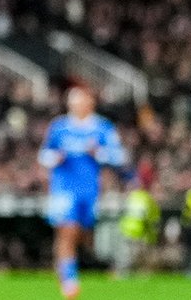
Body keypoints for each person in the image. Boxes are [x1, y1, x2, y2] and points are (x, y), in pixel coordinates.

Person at [40, 85, 126, 298]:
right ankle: (69, 280)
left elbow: (119, 157)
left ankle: (63, 267)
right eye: (73, 102)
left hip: (89, 190)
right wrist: (55, 158)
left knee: (81, 234)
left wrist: (98, 153)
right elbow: (44, 155)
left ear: (90, 102)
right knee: (66, 230)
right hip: (63, 188)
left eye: (80, 101)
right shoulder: (59, 127)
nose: (76, 105)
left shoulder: (102, 128)